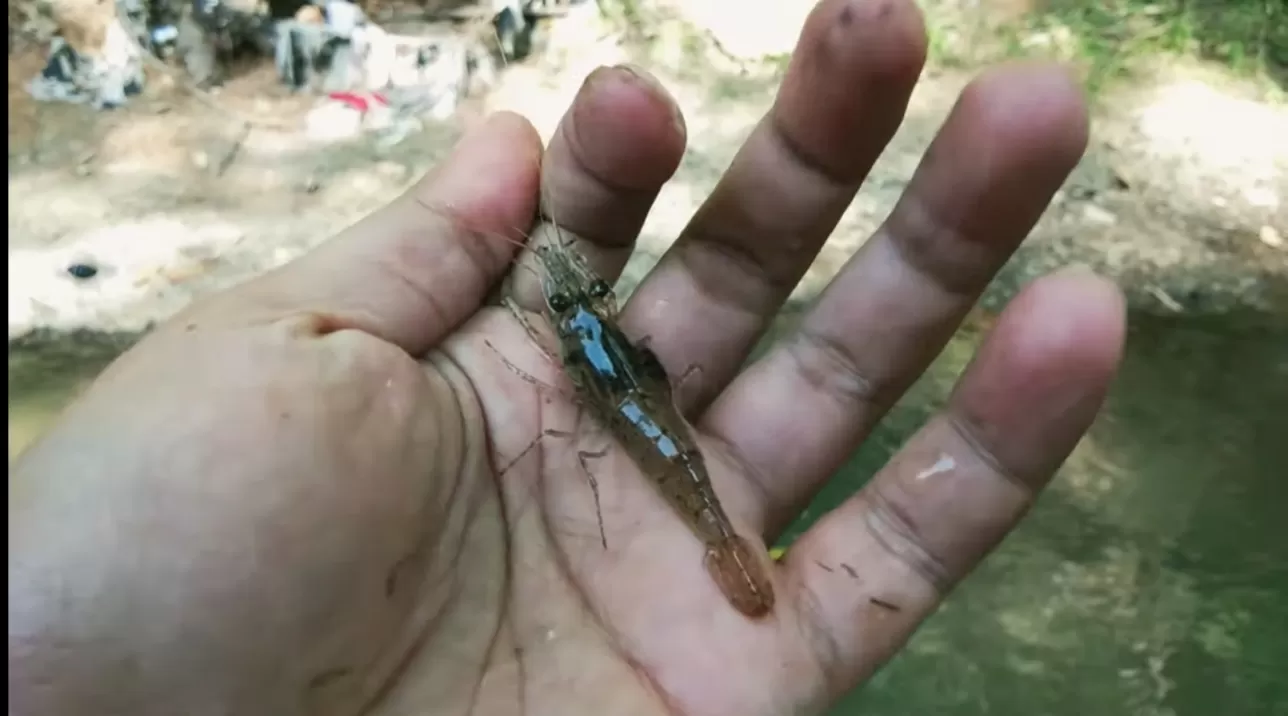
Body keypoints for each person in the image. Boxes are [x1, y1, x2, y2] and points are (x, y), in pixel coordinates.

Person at [7, 0, 1126, 713]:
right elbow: (609, 360)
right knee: (659, 434)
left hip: (648, 433)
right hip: (651, 432)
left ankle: (718, 543)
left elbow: (598, 364)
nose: (569, 300)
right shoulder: (589, 331)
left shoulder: (576, 336)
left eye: (573, 300)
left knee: (652, 433)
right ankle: (721, 545)